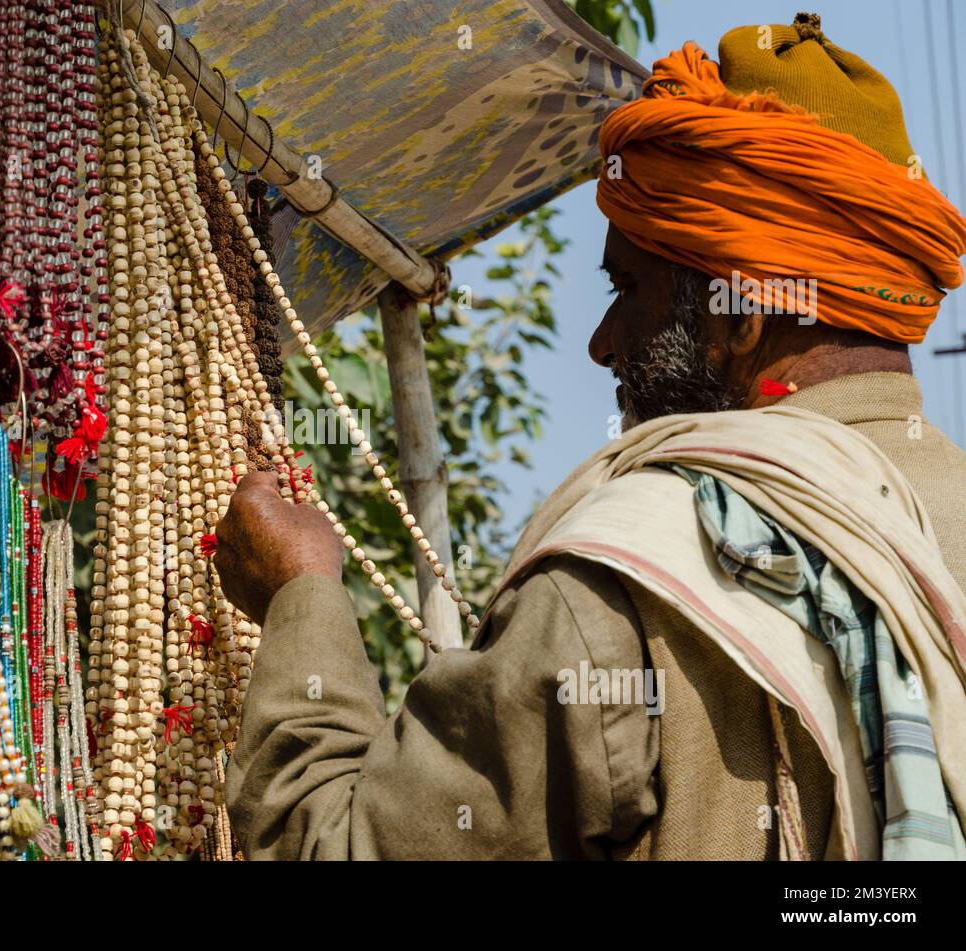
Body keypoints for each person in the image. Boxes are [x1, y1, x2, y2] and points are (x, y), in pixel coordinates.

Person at [211, 13, 966, 860]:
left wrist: (299, 597)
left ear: (743, 315)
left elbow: (341, 848)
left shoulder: (629, 581)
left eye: (628, 286)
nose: (602, 341)